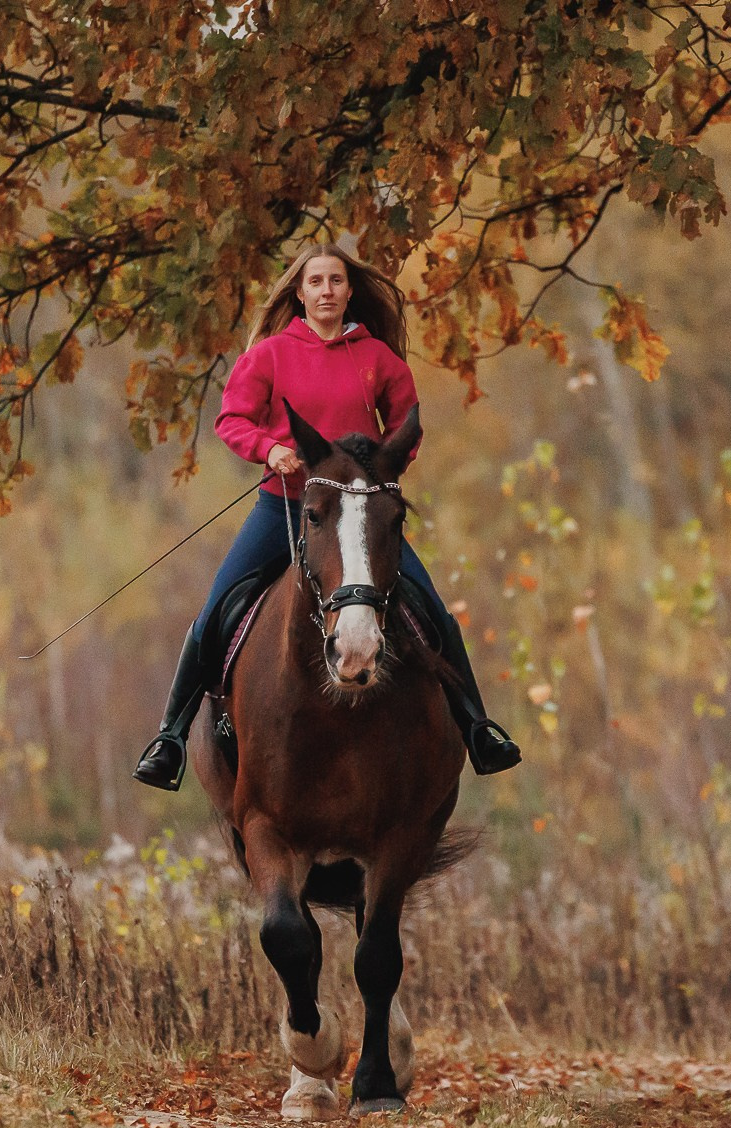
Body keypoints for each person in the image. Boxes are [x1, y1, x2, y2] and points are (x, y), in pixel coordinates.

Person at [132, 241, 522, 790]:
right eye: (315, 282)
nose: (326, 291)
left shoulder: (379, 360)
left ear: (349, 291)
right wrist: (269, 450)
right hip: (286, 505)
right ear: (299, 291)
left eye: (336, 281)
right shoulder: (269, 355)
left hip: (359, 515)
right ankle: (170, 740)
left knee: (432, 610)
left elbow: (406, 429)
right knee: (216, 610)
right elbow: (232, 419)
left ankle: (478, 729)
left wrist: (380, 473)